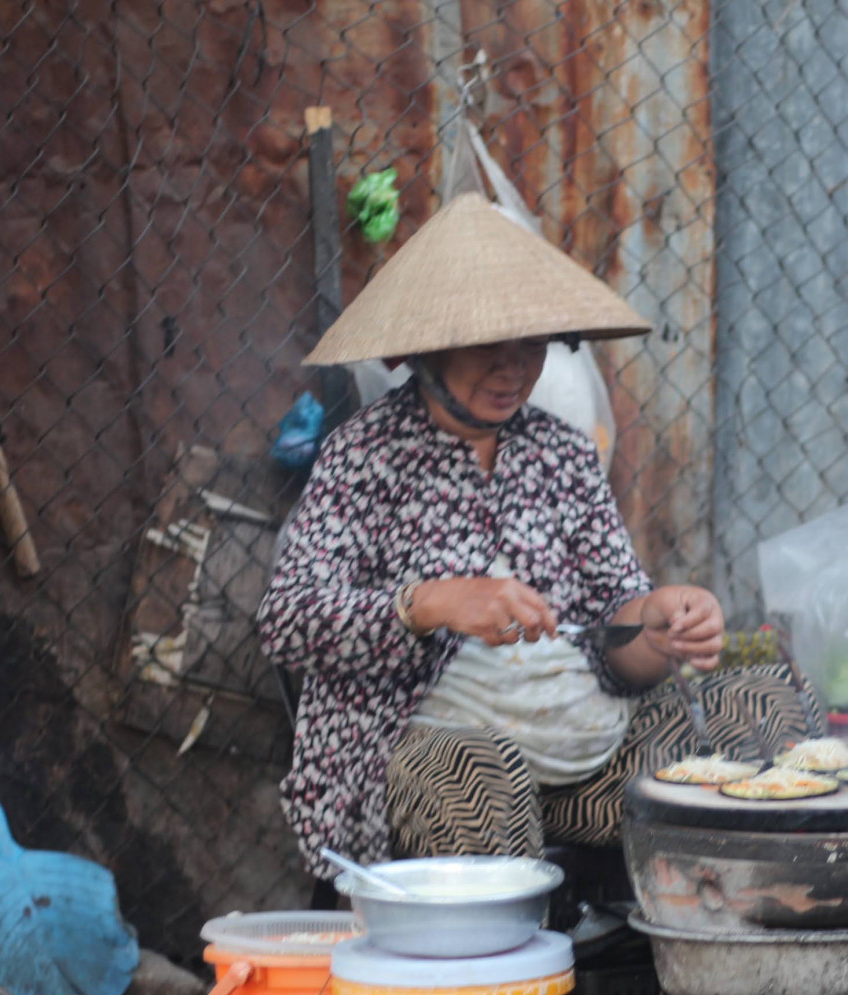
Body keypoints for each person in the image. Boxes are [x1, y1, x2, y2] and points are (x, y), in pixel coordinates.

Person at [258, 194, 811, 895]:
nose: (513, 368)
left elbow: (617, 640)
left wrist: (660, 620)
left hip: (588, 766)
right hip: (435, 759)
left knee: (763, 701)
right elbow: (287, 621)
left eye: (530, 344)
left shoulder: (563, 455)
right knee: (474, 776)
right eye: (488, 345)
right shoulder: (364, 459)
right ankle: (519, 993)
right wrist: (427, 603)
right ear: (428, 346)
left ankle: (735, 952)